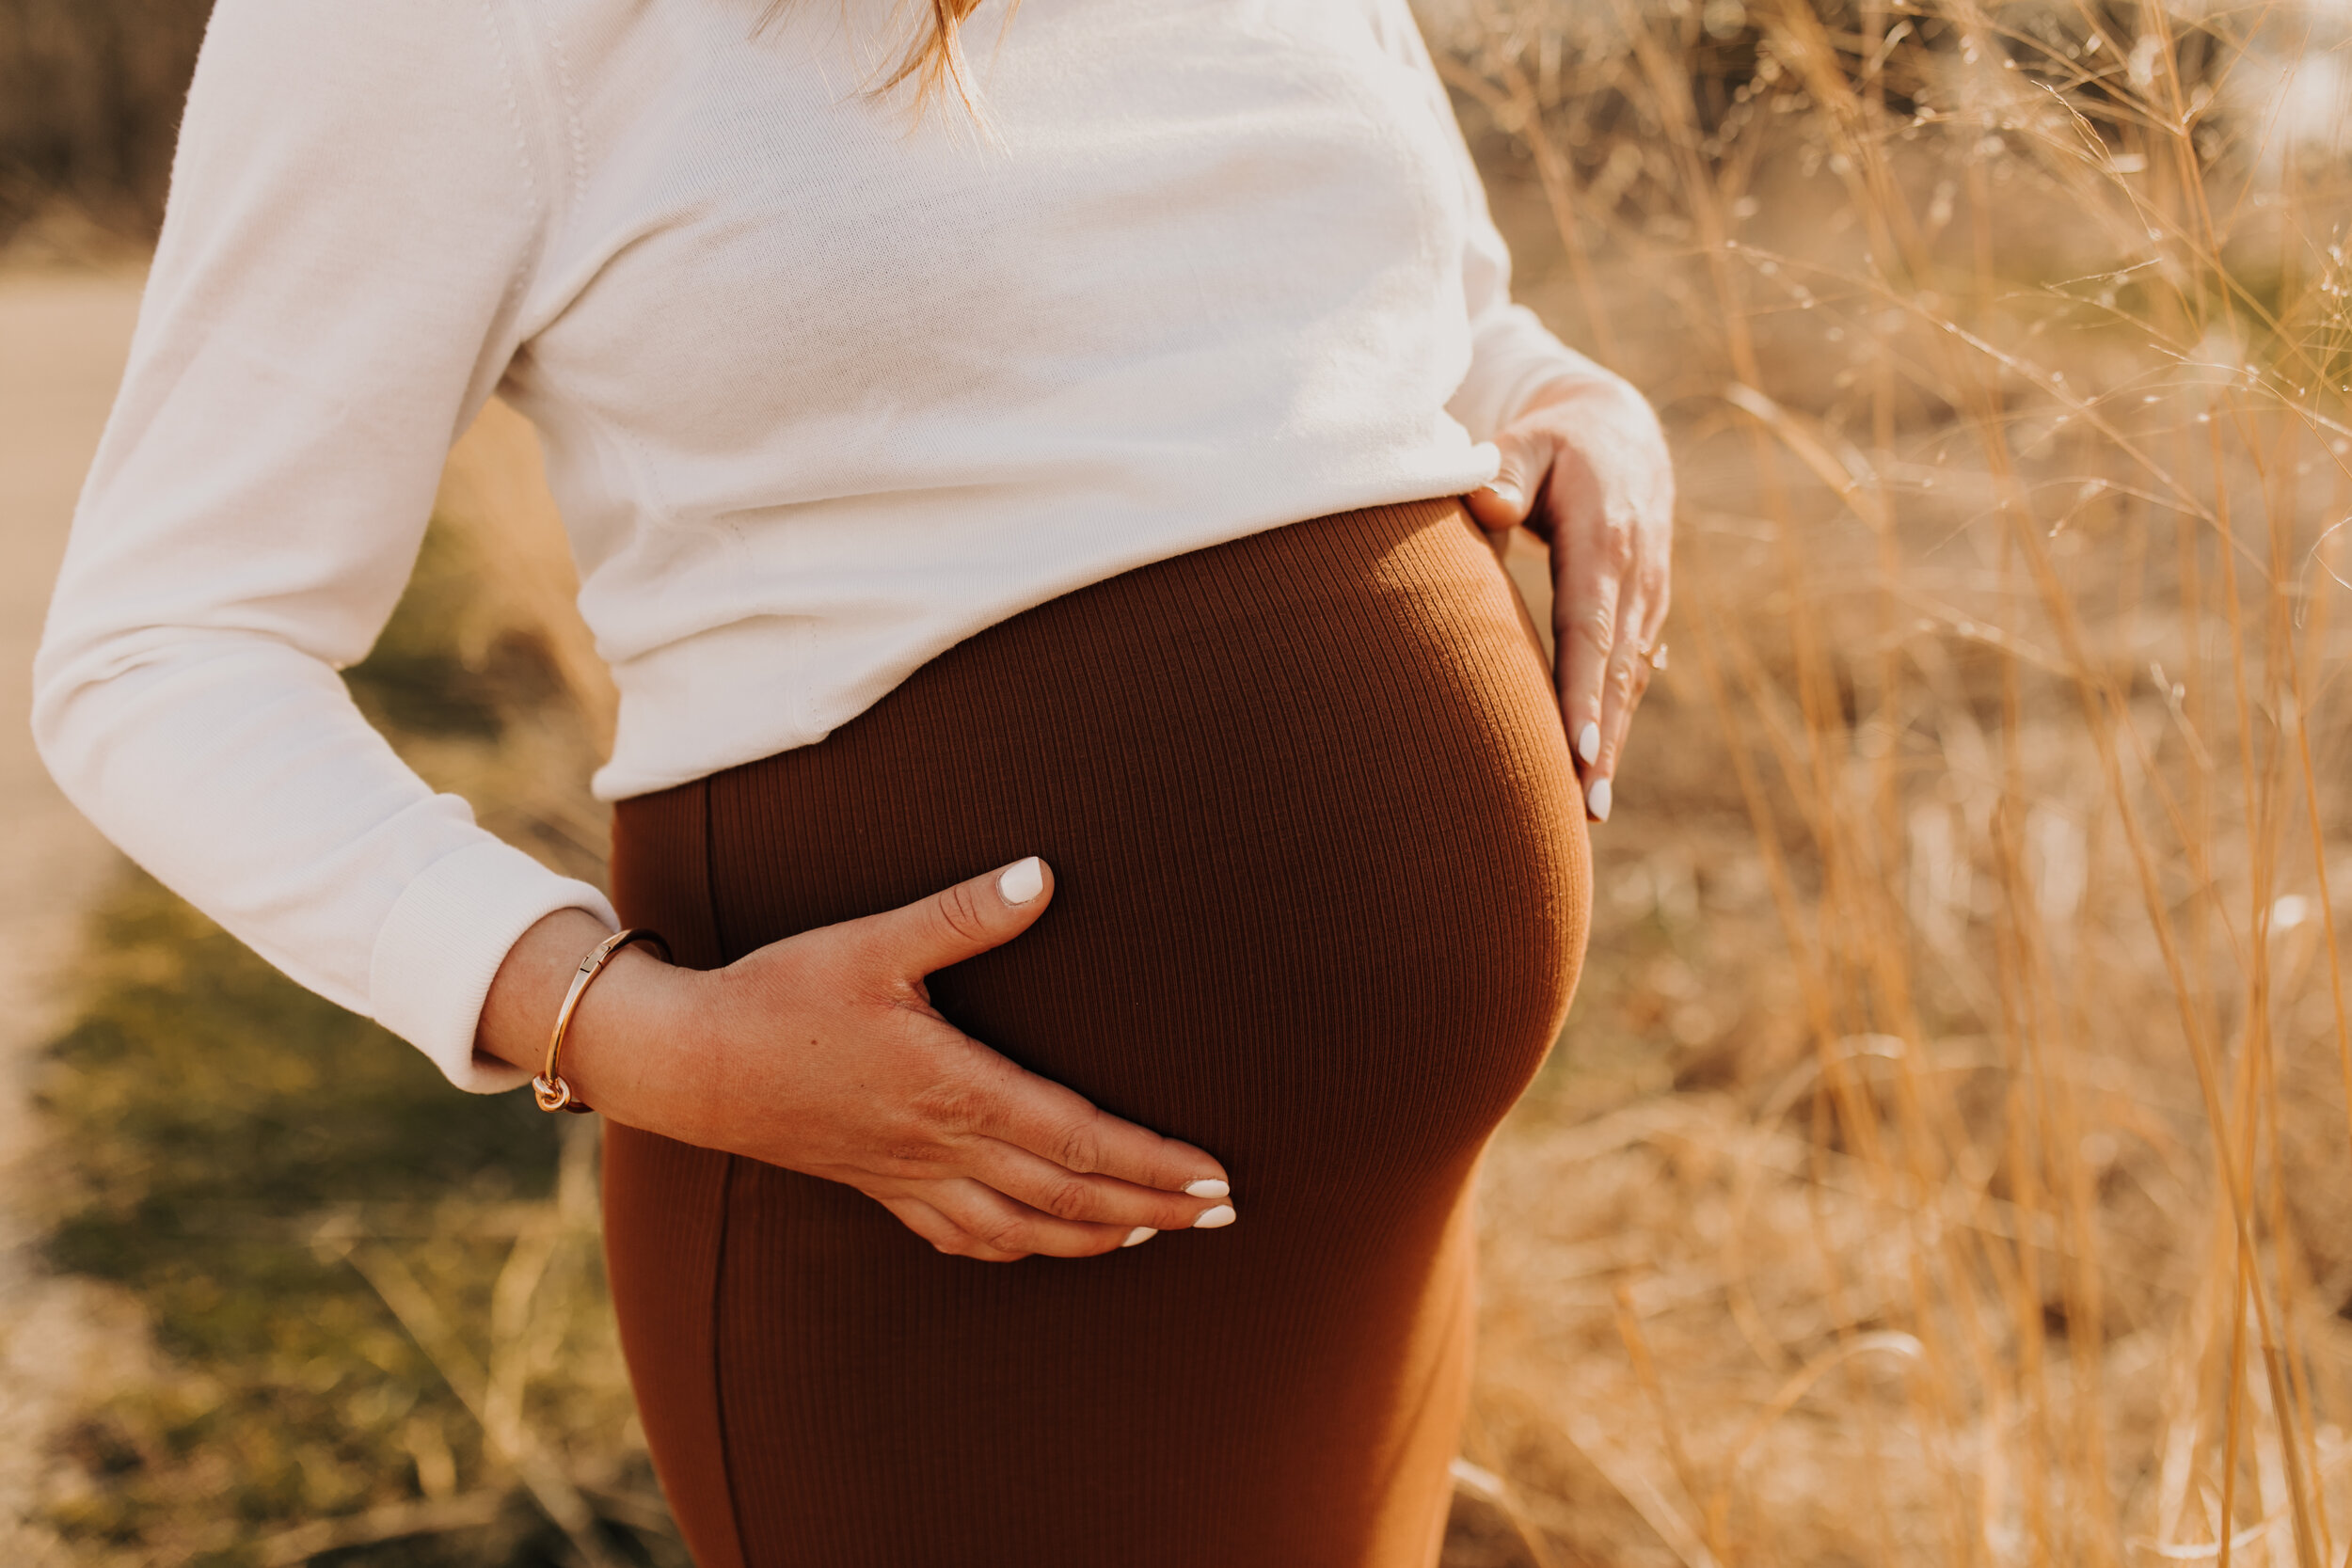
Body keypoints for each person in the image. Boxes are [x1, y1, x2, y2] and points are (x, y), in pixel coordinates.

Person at [32, 0, 1674, 1561]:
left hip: (1361, 1224)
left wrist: (1558, 398)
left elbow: (1400, 291)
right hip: (931, 1253)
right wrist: (619, 1027)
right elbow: (159, 652)